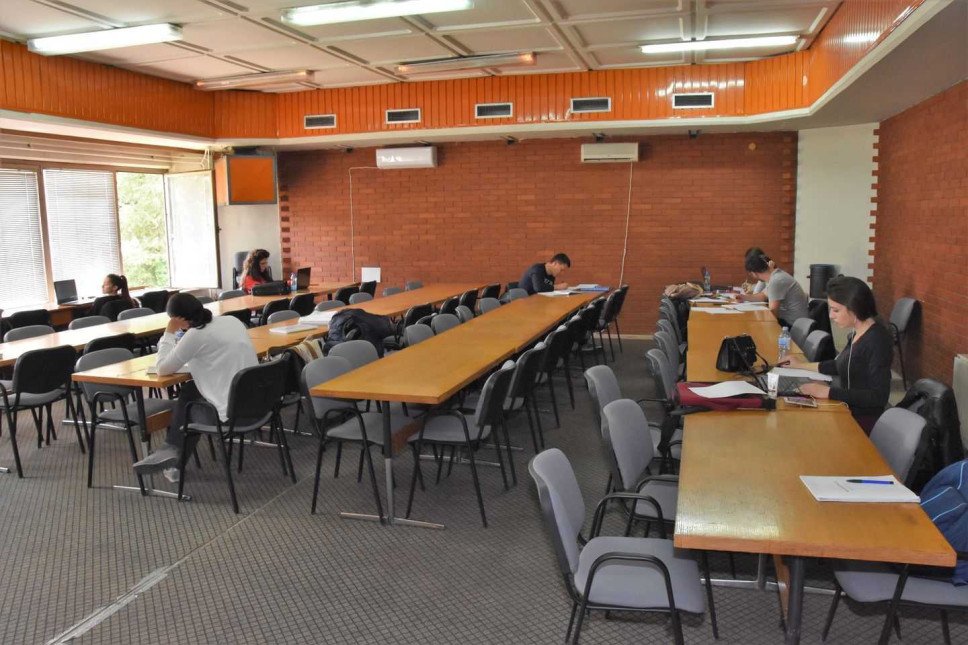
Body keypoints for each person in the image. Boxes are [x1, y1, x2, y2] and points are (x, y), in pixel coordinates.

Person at [152, 293, 259, 482]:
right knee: (189, 391)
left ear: (178, 320)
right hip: (257, 403)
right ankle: (171, 457)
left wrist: (168, 333)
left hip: (233, 415)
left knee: (186, 407)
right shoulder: (231, 321)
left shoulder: (195, 334)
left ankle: (173, 463)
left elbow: (162, 369)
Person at [785, 276, 893, 434]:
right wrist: (800, 366)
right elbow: (839, 364)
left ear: (855, 308)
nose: (830, 315)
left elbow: (879, 397)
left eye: (836, 310)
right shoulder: (858, 332)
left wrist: (826, 392)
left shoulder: (877, 341)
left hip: (862, 421)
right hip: (845, 408)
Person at [737, 252, 808, 326]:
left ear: (753, 273)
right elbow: (763, 295)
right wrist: (743, 297)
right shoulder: (775, 276)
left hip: (792, 325)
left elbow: (772, 313)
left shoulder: (776, 281)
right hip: (793, 322)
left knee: (752, 325)